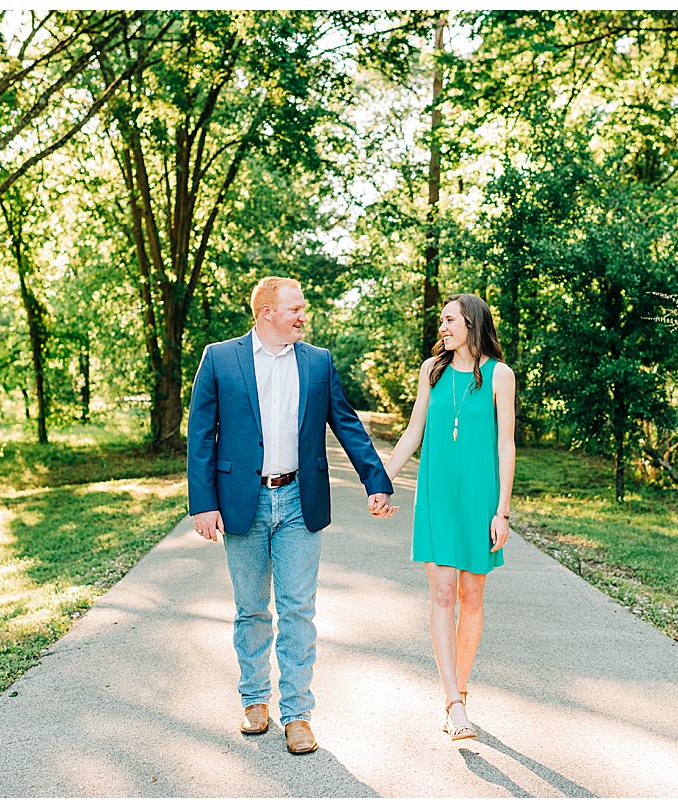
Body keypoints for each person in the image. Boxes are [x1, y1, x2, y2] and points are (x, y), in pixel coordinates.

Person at [187, 276, 395, 755]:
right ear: (266, 313)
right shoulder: (220, 358)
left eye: (303, 309)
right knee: (251, 608)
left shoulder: (317, 362)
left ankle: (297, 714)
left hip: (301, 500)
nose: (303, 316)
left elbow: (346, 422)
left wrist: (376, 480)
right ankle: (255, 699)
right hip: (243, 500)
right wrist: (203, 503)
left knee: (299, 609)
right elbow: (200, 434)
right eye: (295, 308)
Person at [383, 293, 515, 742]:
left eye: (450, 320)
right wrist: (382, 480)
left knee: (471, 597)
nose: (442, 327)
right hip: (436, 495)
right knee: (442, 595)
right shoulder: (431, 370)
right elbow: (414, 430)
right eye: (441, 321)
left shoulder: (501, 376)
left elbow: (506, 446)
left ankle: (461, 687)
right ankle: (453, 703)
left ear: (472, 324)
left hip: (480, 499)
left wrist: (503, 511)